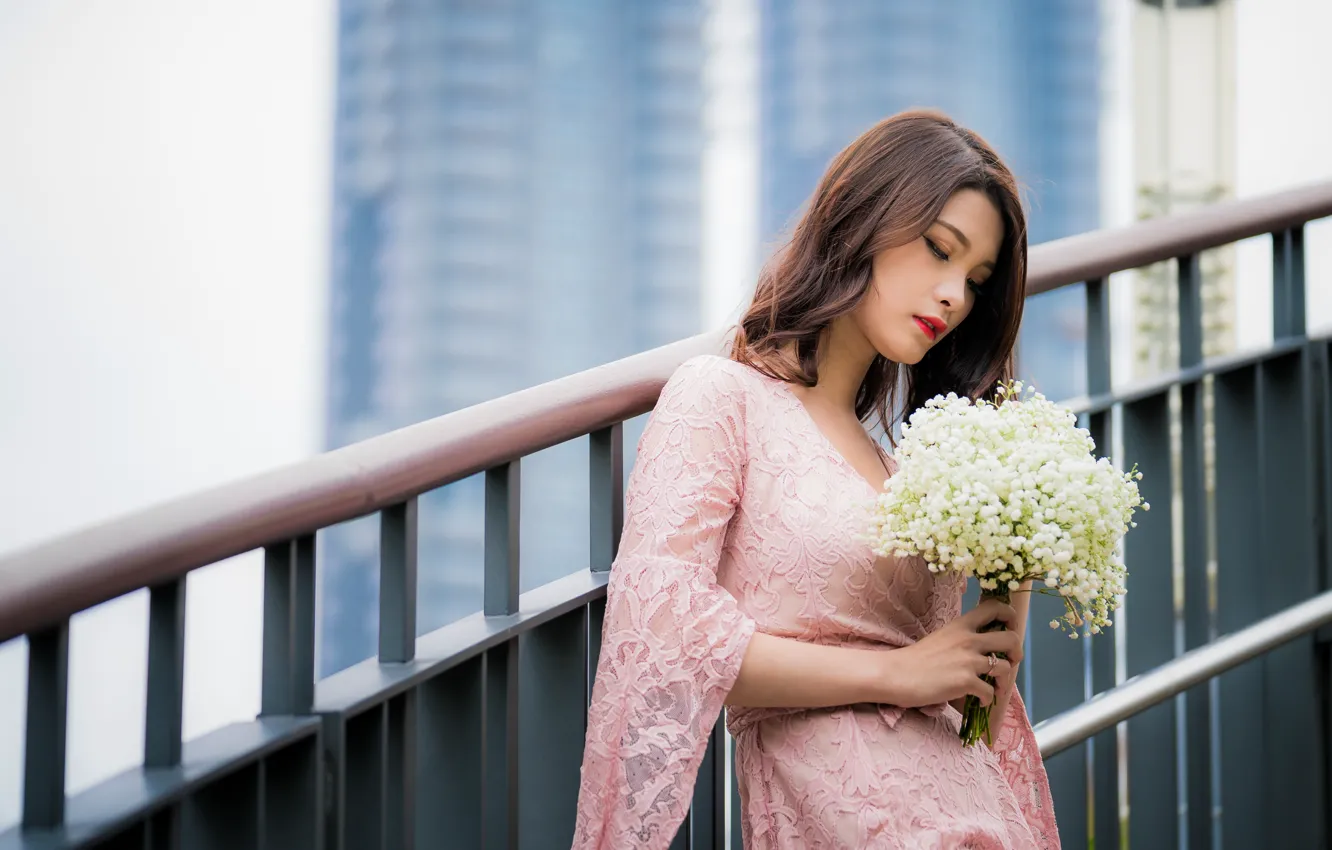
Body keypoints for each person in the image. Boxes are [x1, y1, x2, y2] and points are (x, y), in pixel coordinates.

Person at [571, 109, 1058, 849]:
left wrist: (1015, 548)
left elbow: (974, 689)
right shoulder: (721, 398)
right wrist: (897, 676)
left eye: (975, 280)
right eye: (938, 250)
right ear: (864, 218)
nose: (956, 294)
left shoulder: (906, 472)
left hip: (973, 816)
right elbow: (662, 636)